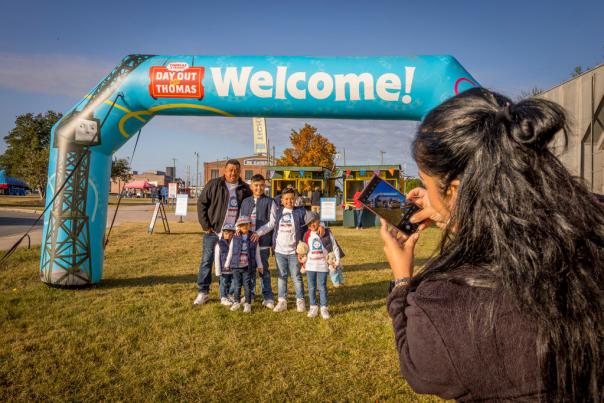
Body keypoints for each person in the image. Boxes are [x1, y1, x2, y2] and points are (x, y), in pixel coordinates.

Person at [381, 88, 604, 402]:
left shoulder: (443, 306)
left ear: (456, 190)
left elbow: (418, 369)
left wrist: (402, 280)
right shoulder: (593, 227)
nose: (425, 194)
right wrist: (459, 216)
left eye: (427, 183)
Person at [193, 159, 252, 305]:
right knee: (207, 261)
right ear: (224, 171)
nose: (233, 173)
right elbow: (202, 204)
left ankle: (229, 293)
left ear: (239, 172)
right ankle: (203, 292)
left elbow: (249, 209)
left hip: (233, 234)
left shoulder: (244, 189)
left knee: (231, 263)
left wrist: (242, 228)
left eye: (236, 170)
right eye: (230, 170)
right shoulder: (214, 184)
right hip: (213, 232)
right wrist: (206, 225)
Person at [240, 174, 276, 309]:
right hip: (248, 242)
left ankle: (268, 296)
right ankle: (250, 294)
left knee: (263, 270)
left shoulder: (270, 201)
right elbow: (241, 219)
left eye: (261, 185)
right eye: (256, 185)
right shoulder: (245, 202)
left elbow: (272, 222)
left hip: (263, 242)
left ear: (265, 186)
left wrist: (258, 232)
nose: (259, 188)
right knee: (249, 270)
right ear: (251, 186)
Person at [299, 211, 340, 319]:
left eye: (314, 221)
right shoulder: (307, 234)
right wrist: (302, 260)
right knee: (311, 287)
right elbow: (303, 250)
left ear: (319, 221)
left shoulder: (326, 233)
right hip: (310, 266)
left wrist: (337, 261)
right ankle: (313, 307)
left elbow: (334, 247)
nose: (312, 225)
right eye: (309, 223)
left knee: (322, 287)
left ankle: (323, 308)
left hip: (322, 265)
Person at [272, 188, 307, 313]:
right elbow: (274, 199)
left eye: (292, 198)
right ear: (281, 200)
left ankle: (300, 300)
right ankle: (282, 301)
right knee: (282, 276)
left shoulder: (300, 212)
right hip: (279, 250)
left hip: (294, 251)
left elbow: (311, 221)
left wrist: (321, 227)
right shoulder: (278, 211)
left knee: (296, 276)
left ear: (296, 200)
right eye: (286, 199)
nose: (289, 201)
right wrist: (284, 192)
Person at [224, 216, 263, 313]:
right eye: (241, 225)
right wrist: (227, 264)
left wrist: (260, 265)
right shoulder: (235, 237)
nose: (244, 226)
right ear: (238, 227)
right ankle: (236, 302)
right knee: (237, 285)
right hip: (236, 267)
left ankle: (247, 304)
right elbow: (231, 251)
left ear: (250, 225)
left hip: (247, 267)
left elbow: (257, 253)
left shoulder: (254, 237)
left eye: (246, 224)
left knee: (247, 286)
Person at [214, 223, 236, 306]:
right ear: (223, 233)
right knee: (224, 283)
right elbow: (217, 258)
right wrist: (218, 271)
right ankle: (223, 297)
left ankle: (230, 295)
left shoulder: (235, 243)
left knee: (234, 283)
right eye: (226, 233)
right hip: (223, 270)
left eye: (231, 234)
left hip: (233, 269)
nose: (228, 236)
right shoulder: (219, 244)